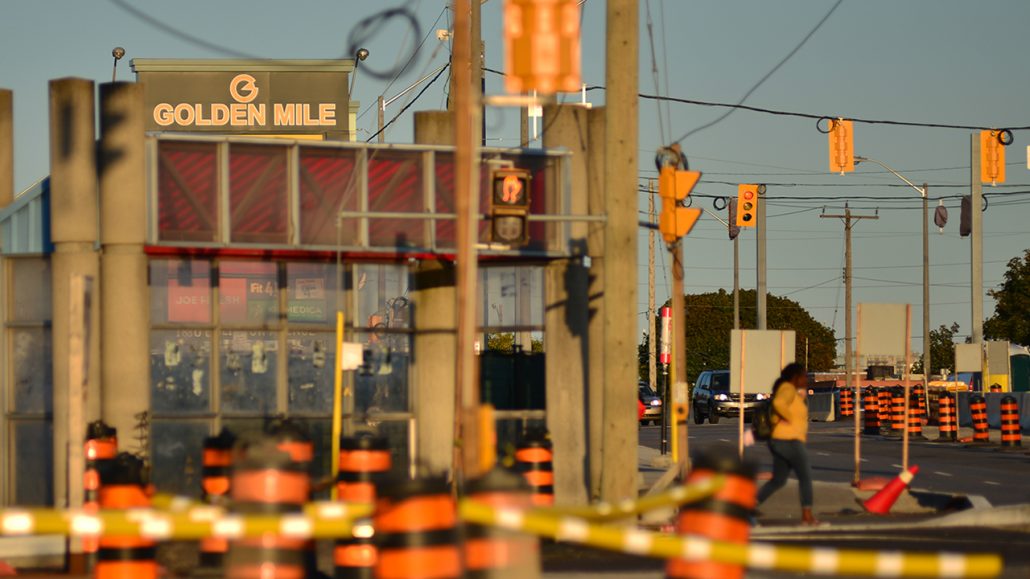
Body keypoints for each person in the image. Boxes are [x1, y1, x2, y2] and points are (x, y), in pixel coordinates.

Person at [756, 363, 819, 525]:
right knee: (805, 475)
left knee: (778, 480)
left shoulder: (790, 391)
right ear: (796, 377)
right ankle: (807, 515)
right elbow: (778, 404)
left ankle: (747, 507)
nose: (806, 379)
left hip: (780, 440)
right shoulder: (788, 389)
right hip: (788, 440)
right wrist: (789, 417)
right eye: (804, 375)